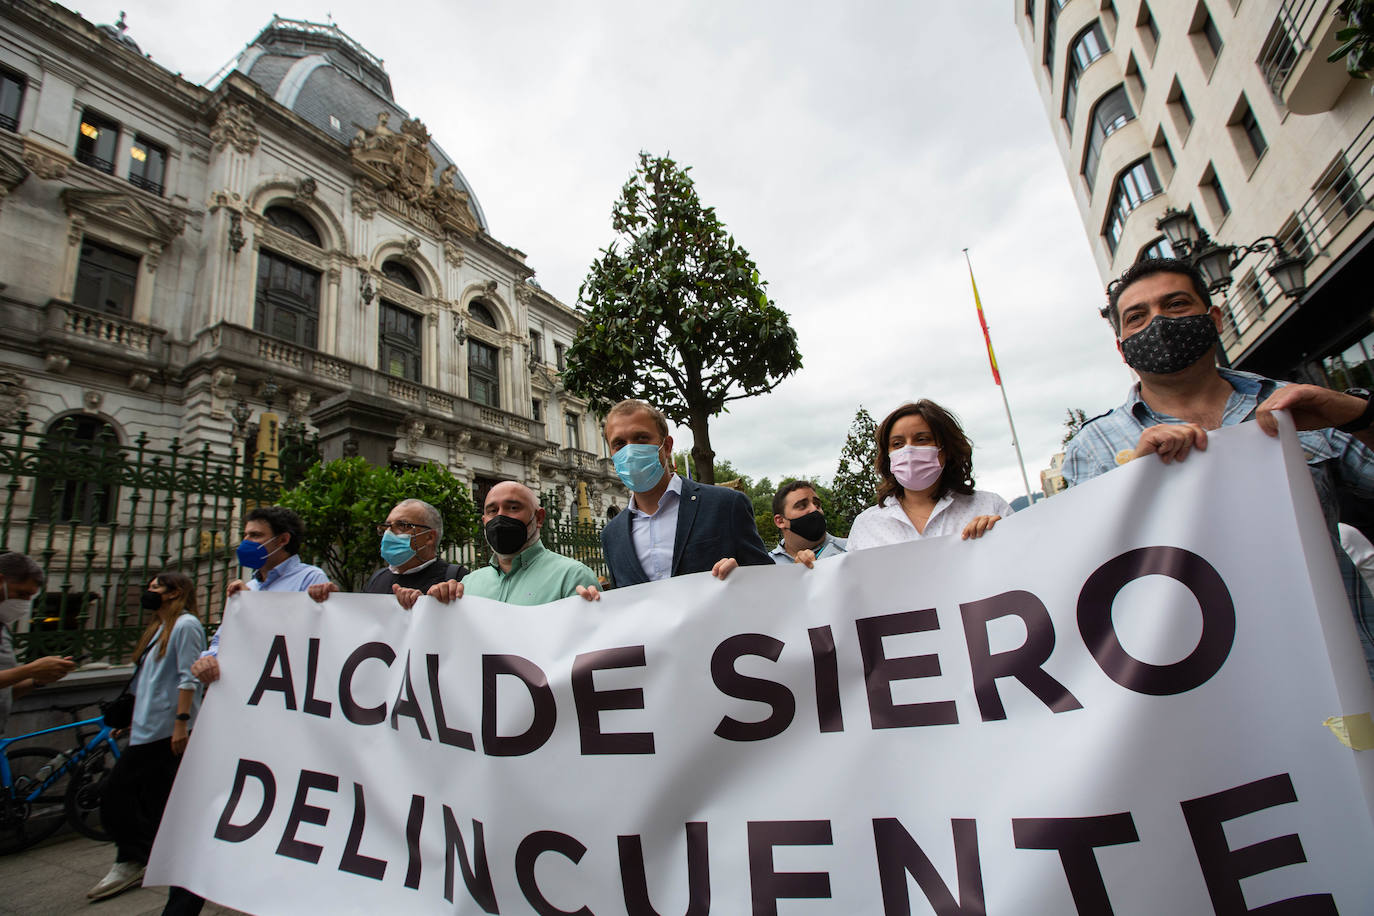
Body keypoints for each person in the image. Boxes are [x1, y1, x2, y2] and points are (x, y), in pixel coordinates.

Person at [1062, 257, 1374, 677]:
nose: (1159, 323)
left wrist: (1357, 414)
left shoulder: (1300, 404)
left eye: (1175, 305)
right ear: (1122, 347)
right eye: (1137, 317)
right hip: (1209, 688)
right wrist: (1139, 481)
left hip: (1343, 667)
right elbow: (1089, 573)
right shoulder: (1094, 446)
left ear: (1214, 319)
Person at [88, 571, 205, 913]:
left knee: (115, 793)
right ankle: (158, 860)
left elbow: (189, 676)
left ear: (175, 593)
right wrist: (130, 720)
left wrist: (182, 723)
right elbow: (147, 681)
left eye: (156, 587)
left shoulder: (185, 626)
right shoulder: (158, 628)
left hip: (167, 730)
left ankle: (142, 858)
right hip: (146, 728)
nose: (149, 591)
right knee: (155, 803)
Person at [588, 399, 773, 593]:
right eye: (619, 444)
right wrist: (596, 606)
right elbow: (622, 605)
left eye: (641, 438)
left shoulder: (726, 505)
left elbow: (770, 583)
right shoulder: (611, 535)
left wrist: (745, 577)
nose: (630, 451)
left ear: (666, 446)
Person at [847, 400, 1011, 550]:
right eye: (897, 444)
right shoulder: (866, 526)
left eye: (922, 439)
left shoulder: (989, 506)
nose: (909, 450)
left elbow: (1021, 564)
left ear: (946, 449)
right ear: (887, 455)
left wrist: (1003, 535)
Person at [191, 505, 327, 685]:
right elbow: (224, 638)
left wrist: (254, 606)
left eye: (255, 535)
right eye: (245, 535)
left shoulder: (311, 579)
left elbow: (310, 638)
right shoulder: (248, 587)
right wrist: (209, 659)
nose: (246, 541)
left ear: (283, 540)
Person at [412, 481, 598, 606]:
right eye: (493, 510)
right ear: (484, 520)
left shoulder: (572, 577)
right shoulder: (468, 584)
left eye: (513, 508)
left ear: (539, 518)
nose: (500, 516)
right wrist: (434, 605)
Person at [306, 499, 468, 603]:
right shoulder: (378, 578)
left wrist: (430, 604)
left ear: (429, 537)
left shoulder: (454, 578)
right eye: (387, 527)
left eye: (402, 526)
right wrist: (334, 601)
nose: (389, 533)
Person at [0, 552, 74, 733]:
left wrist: (37, 679)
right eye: (21, 593)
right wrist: (29, 670)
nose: (25, 602)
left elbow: (6, 692)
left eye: (29, 596)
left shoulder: (2, 628)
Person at [770, 479, 847, 567]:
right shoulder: (767, 565)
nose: (814, 509)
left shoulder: (851, 549)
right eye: (802, 505)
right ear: (780, 521)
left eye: (817, 504)